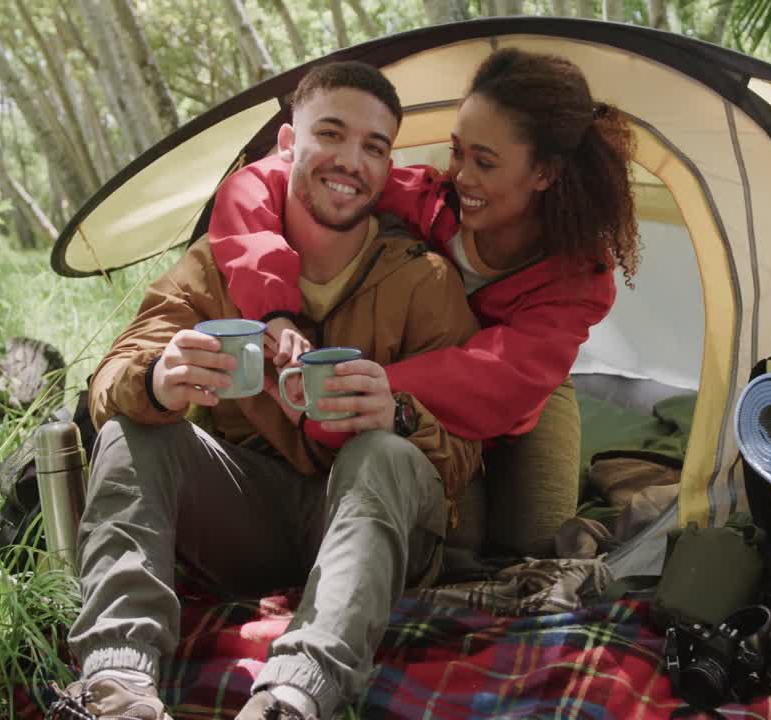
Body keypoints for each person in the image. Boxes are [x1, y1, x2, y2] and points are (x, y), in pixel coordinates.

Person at [51, 62, 481, 720]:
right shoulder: (217, 263)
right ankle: (117, 683)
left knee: (383, 455)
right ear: (288, 144)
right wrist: (159, 382)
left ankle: (294, 695)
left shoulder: (421, 281)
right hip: (251, 514)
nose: (350, 161)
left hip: (375, 525)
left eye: (374, 147)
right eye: (331, 134)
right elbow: (112, 380)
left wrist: (397, 415)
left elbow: (466, 453)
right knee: (134, 427)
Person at [209, 48, 641, 559]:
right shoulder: (425, 202)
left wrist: (362, 389)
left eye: (484, 162)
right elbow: (256, 182)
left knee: (532, 547)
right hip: (422, 407)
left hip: (522, 400)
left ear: (544, 173)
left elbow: (494, 381)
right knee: (458, 547)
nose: (461, 174)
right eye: (458, 151)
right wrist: (274, 308)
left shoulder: (579, 280)